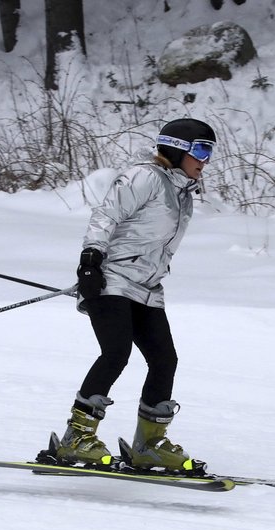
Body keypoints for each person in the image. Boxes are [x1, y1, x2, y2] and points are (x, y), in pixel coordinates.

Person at [51, 118, 216, 473]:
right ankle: (76, 438)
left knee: (164, 359)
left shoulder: (182, 192)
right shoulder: (145, 177)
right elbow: (107, 214)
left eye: (210, 151)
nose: (206, 158)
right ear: (178, 148)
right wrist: (90, 260)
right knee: (116, 354)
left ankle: (149, 445)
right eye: (201, 149)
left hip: (147, 287)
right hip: (110, 279)